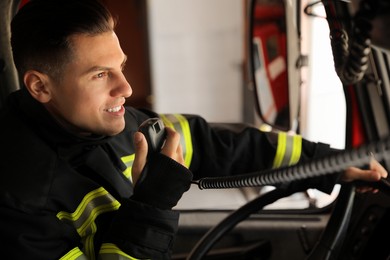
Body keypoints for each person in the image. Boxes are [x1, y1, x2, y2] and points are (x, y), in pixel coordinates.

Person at [0, 0, 387, 259]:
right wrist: (152, 206)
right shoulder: (18, 197)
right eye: (101, 75)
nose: (126, 89)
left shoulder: (115, 123)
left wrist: (326, 163)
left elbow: (214, 144)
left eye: (120, 66)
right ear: (40, 86)